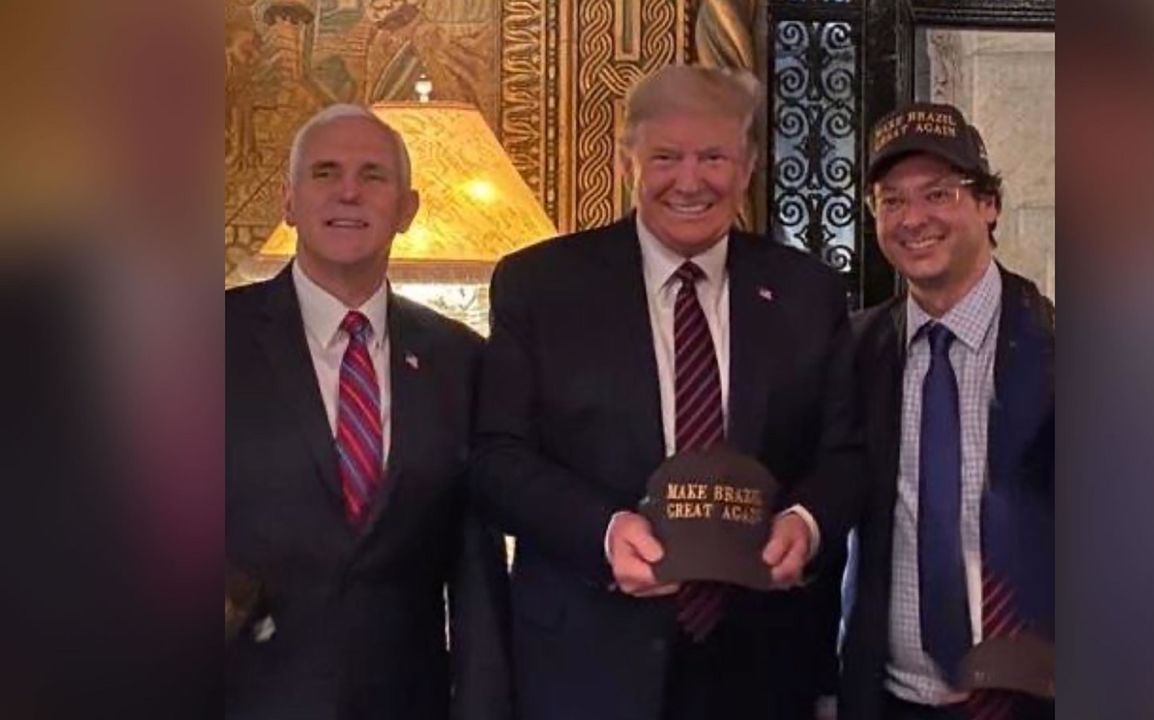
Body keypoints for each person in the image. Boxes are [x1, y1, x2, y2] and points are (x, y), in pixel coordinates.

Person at [470, 64, 860, 720]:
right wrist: (604, 531)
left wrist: (807, 523)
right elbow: (496, 459)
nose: (690, 180)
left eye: (713, 156)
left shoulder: (808, 292)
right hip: (588, 656)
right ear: (629, 162)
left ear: (748, 165)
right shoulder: (540, 286)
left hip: (764, 661)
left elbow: (846, 455)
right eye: (666, 157)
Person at [225, 104, 511, 720]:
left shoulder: (462, 360)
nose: (349, 191)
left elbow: (475, 567)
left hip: (407, 698)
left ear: (407, 209)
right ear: (288, 201)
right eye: (325, 172)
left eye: (373, 175)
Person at [837, 103, 1054, 720]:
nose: (914, 219)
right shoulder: (849, 354)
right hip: (891, 700)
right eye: (891, 200)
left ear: (988, 205)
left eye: (938, 193)